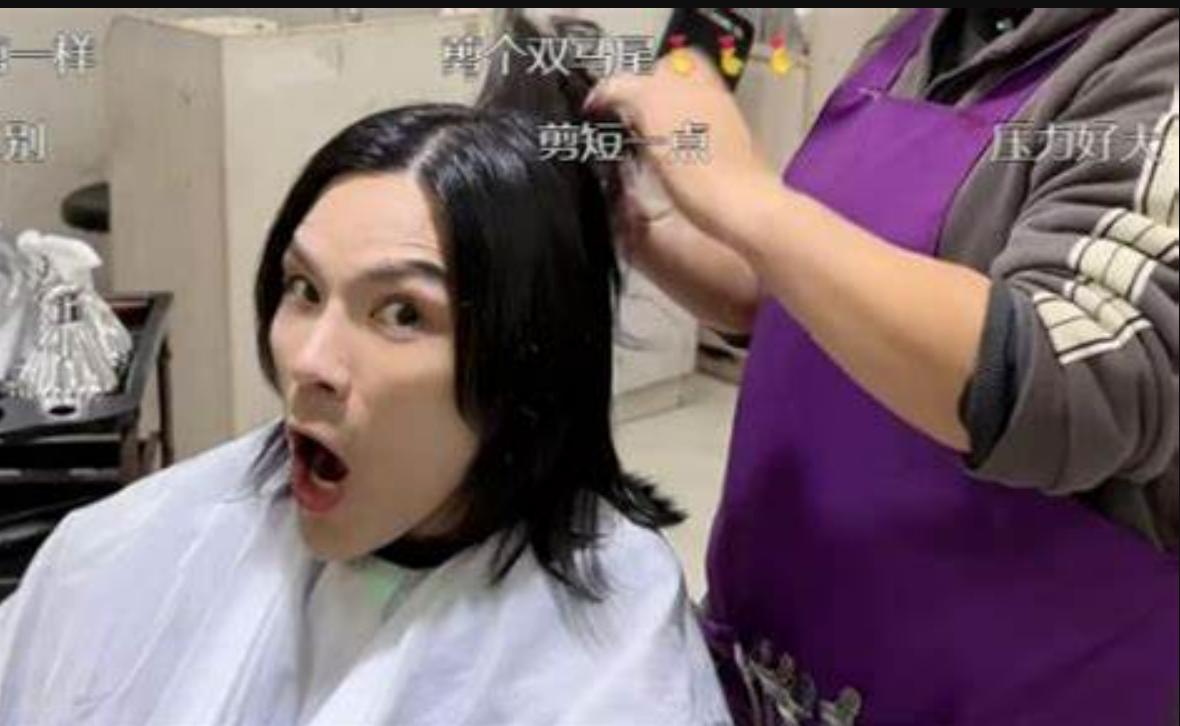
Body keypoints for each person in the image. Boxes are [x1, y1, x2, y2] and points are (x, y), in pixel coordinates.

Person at [0, 102, 731, 725]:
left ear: (525, 363)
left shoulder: (612, 647)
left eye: (402, 313)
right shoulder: (137, 546)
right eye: (303, 289)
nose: (311, 360)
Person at [587, 8, 1179, 724]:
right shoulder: (921, 34)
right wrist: (632, 225)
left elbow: (1074, 382)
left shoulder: (1154, 63)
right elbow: (794, 289)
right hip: (776, 661)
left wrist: (742, 194)